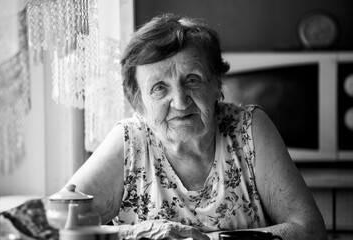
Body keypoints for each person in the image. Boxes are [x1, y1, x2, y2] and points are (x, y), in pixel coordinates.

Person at [66, 13, 328, 240]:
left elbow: (310, 230)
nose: (180, 102)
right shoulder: (129, 142)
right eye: (159, 88)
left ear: (217, 85)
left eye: (192, 80)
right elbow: (54, 228)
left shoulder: (249, 128)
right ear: (138, 102)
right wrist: (134, 233)